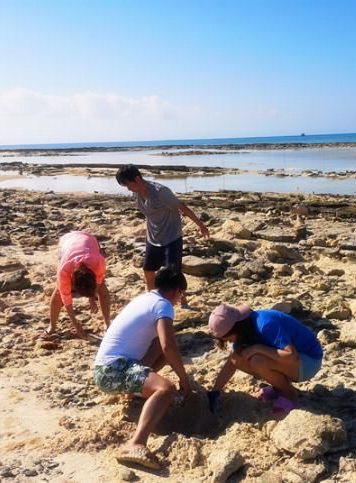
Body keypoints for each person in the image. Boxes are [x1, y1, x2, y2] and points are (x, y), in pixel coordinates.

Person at [93, 268, 193, 470]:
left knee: (158, 345)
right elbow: (169, 346)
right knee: (166, 389)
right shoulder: (163, 305)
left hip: (106, 367)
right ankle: (136, 443)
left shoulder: (145, 299)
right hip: (113, 371)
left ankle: (137, 392)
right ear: (175, 291)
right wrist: (184, 379)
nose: (178, 299)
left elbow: (162, 347)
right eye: (180, 294)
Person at [115, 164, 210, 306]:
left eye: (128, 184)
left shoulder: (161, 192)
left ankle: (182, 300)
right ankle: (152, 300)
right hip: (153, 238)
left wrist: (200, 225)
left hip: (172, 237)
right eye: (125, 186)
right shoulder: (136, 194)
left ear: (137, 178)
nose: (128, 189)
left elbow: (182, 207)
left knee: (173, 273)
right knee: (148, 270)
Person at [206, 304, 323, 417]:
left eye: (228, 339)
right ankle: (279, 388)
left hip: (310, 361)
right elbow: (232, 362)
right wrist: (214, 391)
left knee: (257, 361)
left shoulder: (266, 324)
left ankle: (290, 395)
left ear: (235, 329)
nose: (229, 342)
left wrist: (257, 348)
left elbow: (292, 356)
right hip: (294, 362)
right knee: (238, 357)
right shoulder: (245, 327)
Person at [48, 231, 110, 338]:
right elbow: (66, 300)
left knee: (103, 288)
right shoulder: (64, 271)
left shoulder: (99, 262)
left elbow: (99, 282)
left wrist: (92, 298)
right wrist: (75, 324)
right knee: (58, 293)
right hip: (67, 241)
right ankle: (52, 326)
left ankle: (107, 324)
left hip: (89, 239)